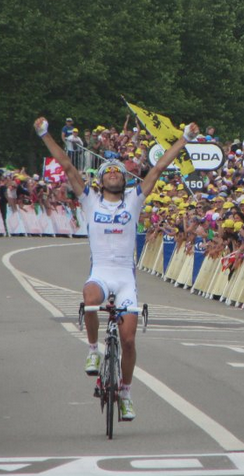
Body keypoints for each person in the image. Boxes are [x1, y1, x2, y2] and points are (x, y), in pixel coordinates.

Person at [34, 115, 199, 422]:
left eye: (118, 172)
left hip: (125, 278)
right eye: (108, 171)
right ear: (100, 180)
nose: (112, 174)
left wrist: (185, 139)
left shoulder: (134, 200)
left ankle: (125, 393)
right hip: (101, 273)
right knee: (90, 298)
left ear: (124, 180)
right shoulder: (90, 200)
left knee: (129, 341)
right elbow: (67, 166)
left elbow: (159, 167)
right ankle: (93, 350)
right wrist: (45, 134)